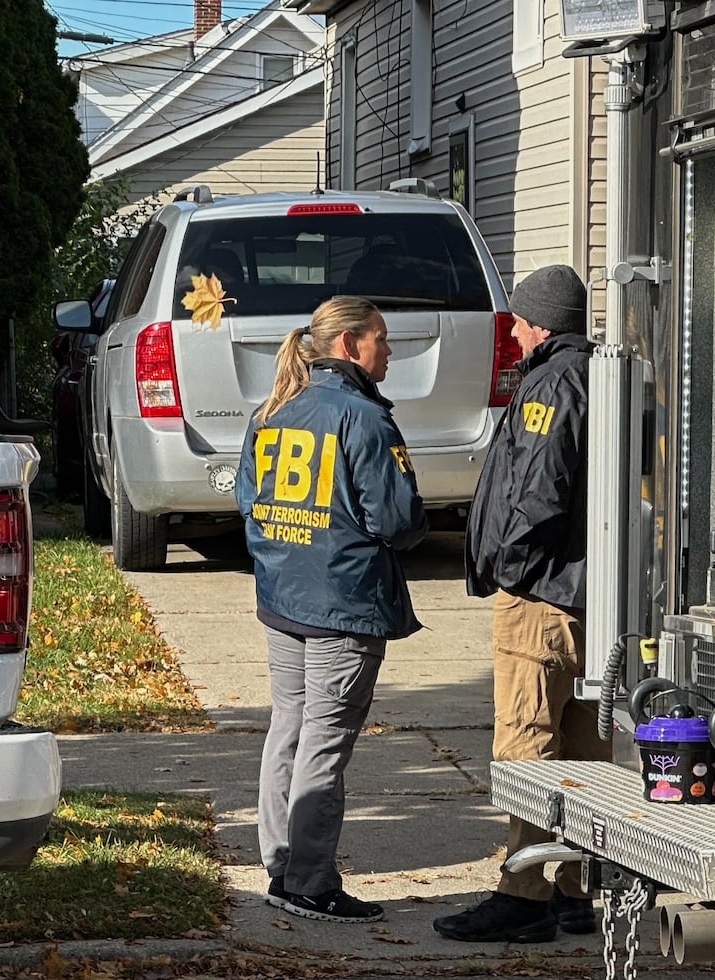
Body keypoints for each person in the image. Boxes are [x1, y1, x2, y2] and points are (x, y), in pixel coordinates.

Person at [235, 295, 428, 924]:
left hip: (284, 599)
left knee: (289, 728)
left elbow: (247, 501)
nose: (389, 349)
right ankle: (310, 884)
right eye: (381, 338)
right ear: (348, 345)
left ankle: (282, 866)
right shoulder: (364, 419)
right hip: (343, 606)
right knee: (321, 743)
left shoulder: (273, 410)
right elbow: (398, 521)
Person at [433, 264, 610, 944]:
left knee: (525, 745)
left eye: (516, 317)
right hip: (596, 598)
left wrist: (509, 567)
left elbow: (536, 491)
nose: (510, 328)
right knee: (581, 749)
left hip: (541, 597)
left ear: (536, 322)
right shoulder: (600, 375)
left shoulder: (550, 384)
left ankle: (524, 893)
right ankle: (573, 886)